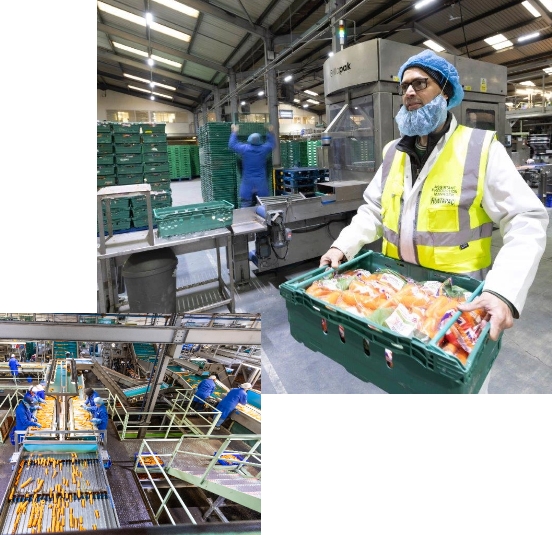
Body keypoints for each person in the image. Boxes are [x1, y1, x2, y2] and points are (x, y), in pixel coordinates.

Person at [320, 50, 548, 387]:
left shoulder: (480, 148)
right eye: (404, 87)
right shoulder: (392, 151)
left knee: (456, 386)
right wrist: (343, 246)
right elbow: (373, 209)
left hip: (458, 299)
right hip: (398, 291)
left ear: (445, 92)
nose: (409, 93)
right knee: (403, 378)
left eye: (420, 84)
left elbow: (526, 219)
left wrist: (503, 292)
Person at [228, 124, 276, 207]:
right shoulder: (264, 149)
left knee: (246, 204)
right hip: (261, 182)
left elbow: (232, 145)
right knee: (263, 205)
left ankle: (246, 218)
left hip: (247, 182)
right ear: (260, 140)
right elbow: (272, 144)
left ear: (249, 140)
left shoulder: (245, 149)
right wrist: (270, 132)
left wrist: (234, 132)